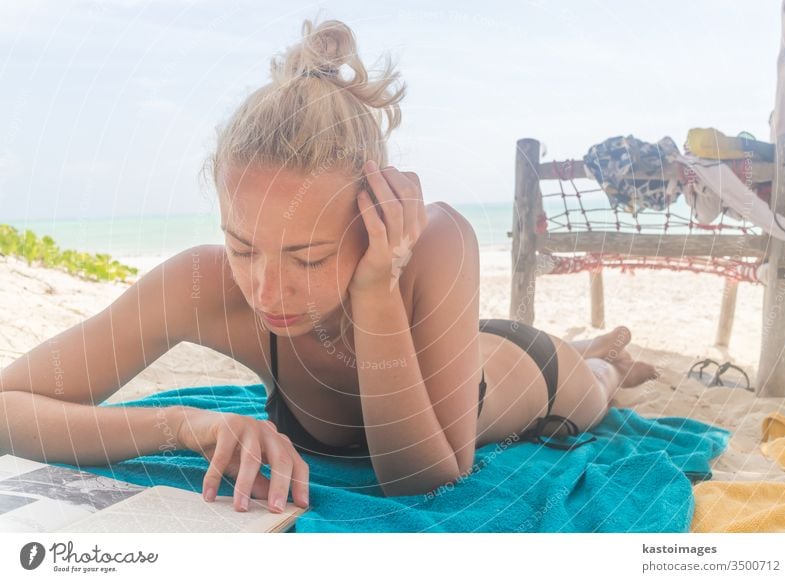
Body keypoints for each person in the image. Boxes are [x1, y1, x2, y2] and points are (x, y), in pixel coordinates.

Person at [0, 18, 658, 515]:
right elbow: (7, 407)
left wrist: (376, 286)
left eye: (306, 256)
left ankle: (599, 354)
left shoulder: (436, 243)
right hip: (450, 348)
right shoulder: (204, 285)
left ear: (372, 216)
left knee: (599, 385)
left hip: (529, 374)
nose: (265, 288)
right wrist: (181, 425)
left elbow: (422, 475)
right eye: (242, 245)